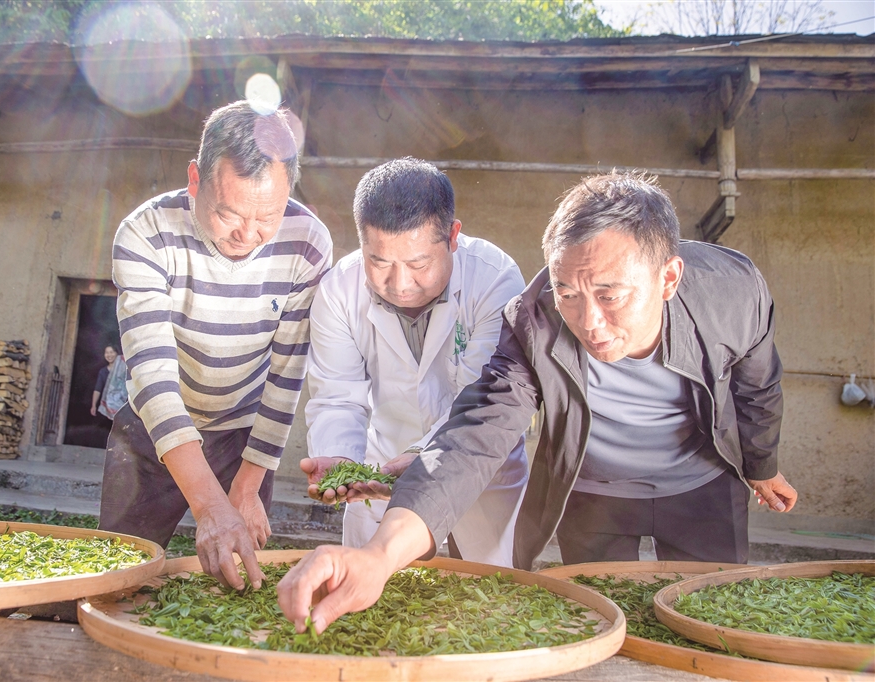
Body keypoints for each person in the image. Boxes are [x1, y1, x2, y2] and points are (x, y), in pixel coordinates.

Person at [277, 171, 798, 635]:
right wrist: (378, 555)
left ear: (668, 278)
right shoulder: (535, 317)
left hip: (701, 480)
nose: (589, 322)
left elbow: (757, 386)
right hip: (593, 486)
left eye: (610, 295)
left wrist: (761, 465)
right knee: (601, 619)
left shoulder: (733, 294)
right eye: (567, 293)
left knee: (715, 614)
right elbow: (477, 432)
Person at [99, 100, 333, 591]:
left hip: (243, 438)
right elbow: (153, 378)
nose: (248, 235)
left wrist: (246, 485)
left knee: (240, 581)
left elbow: (287, 375)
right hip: (151, 431)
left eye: (267, 217)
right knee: (120, 575)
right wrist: (209, 504)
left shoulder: (308, 243)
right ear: (195, 179)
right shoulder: (145, 233)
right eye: (228, 214)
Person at [301, 157, 528, 566]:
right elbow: (336, 396)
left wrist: (426, 456)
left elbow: (480, 402)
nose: (400, 284)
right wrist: (340, 458)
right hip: (381, 469)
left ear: (452, 236)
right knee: (375, 590)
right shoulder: (338, 291)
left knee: (483, 592)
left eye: (418, 264)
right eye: (379, 262)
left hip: (479, 468)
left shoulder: (494, 280)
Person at [91, 344, 127, 420]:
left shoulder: (124, 370)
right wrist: (93, 405)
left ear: (117, 354)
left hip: (123, 406)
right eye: (107, 352)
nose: (109, 355)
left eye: (111, 352)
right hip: (107, 408)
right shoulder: (103, 371)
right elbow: (98, 389)